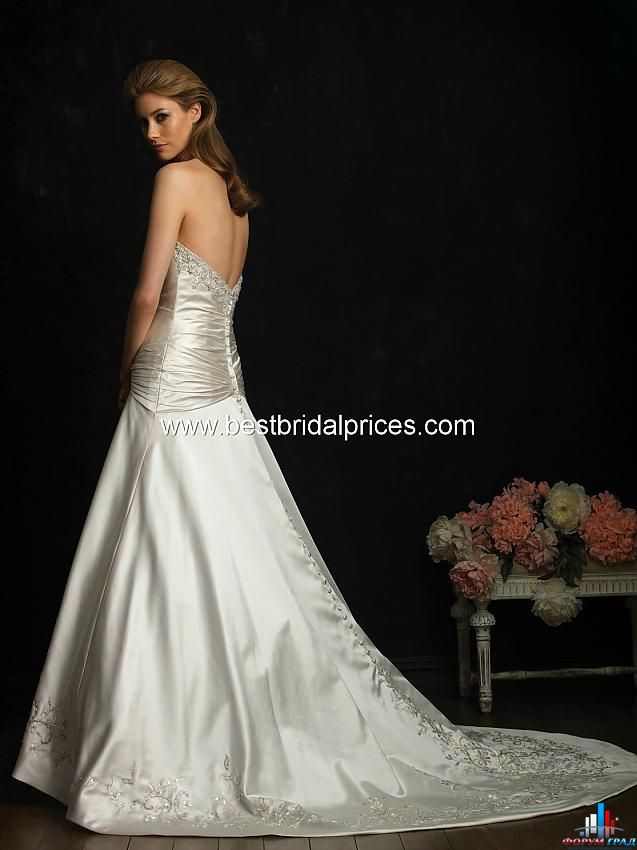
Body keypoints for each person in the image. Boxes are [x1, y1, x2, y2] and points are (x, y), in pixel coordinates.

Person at [11, 58, 637, 838]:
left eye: (161, 116)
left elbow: (147, 295)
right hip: (220, 385)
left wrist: (123, 373)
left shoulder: (176, 182)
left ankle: (157, 741)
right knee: (225, 544)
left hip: (171, 378)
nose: (150, 134)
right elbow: (219, 304)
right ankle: (207, 724)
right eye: (141, 122)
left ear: (198, 110)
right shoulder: (235, 198)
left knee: (162, 544)